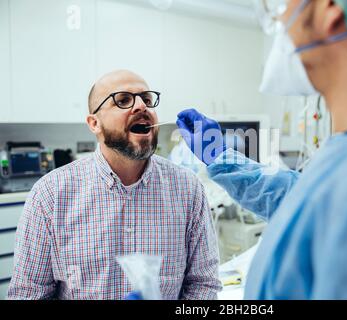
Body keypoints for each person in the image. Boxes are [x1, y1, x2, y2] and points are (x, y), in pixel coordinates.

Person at [176, 0, 347, 299]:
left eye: (281, 6)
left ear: (329, 10)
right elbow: (305, 198)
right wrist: (220, 158)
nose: (279, 19)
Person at [7, 70, 221, 300]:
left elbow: (203, 285)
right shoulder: (50, 194)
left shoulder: (188, 188)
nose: (141, 106)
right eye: (123, 100)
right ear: (94, 123)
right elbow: (28, 295)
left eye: (147, 99)